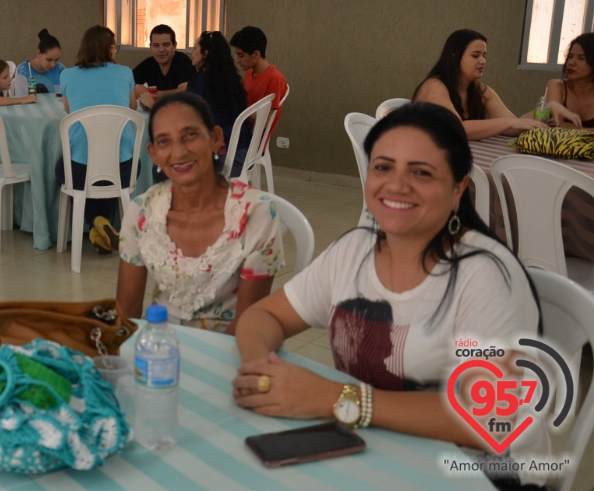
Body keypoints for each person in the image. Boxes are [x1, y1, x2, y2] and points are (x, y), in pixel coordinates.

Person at [233, 102, 549, 488]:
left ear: (458, 188)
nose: (397, 185)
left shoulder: (486, 276)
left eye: (421, 172)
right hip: (375, 452)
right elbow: (263, 317)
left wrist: (338, 398)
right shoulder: (354, 251)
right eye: (383, 167)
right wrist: (261, 372)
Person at [116, 92, 284, 333]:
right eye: (164, 141)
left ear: (215, 138)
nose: (179, 152)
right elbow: (127, 312)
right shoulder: (141, 212)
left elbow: (247, 323)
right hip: (159, 348)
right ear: (153, 153)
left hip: (232, 349)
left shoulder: (256, 213)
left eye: (190, 135)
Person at [56, 25, 137, 254]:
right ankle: (101, 224)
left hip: (80, 170)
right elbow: (132, 107)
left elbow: (69, 109)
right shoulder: (125, 73)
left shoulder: (67, 75)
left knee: (61, 168)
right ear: (110, 48)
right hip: (124, 168)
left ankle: (95, 224)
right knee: (112, 171)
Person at [412, 29, 545, 140]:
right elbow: (456, 129)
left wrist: (548, 110)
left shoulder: (480, 90)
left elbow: (513, 126)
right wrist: (509, 122)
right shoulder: (435, 86)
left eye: (484, 56)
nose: (483, 61)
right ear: (454, 57)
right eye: (475, 56)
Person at [186, 31, 250, 177]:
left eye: (195, 48)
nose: (192, 52)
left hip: (223, 160)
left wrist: (153, 105)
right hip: (243, 153)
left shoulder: (201, 82)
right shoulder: (232, 79)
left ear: (205, 53)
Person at [230, 26, 288, 126]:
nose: (237, 60)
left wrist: (238, 107)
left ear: (256, 54)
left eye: (241, 55)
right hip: (242, 127)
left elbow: (265, 122)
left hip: (251, 136)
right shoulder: (250, 72)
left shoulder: (275, 78)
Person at [133, 24, 196, 106]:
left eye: (166, 45)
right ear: (150, 47)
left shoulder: (182, 61)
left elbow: (185, 91)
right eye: (156, 45)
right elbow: (127, 83)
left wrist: (152, 96)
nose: (161, 50)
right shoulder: (149, 64)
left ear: (174, 46)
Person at [546, 32, 594, 128]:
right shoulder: (557, 86)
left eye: (581, 58)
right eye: (570, 57)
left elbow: (562, 125)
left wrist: (567, 126)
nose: (571, 63)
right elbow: (557, 125)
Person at [10, 29, 66, 96]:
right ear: (39, 53)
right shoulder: (23, 71)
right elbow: (21, 99)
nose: (53, 64)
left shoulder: (61, 69)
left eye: (56, 60)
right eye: (49, 60)